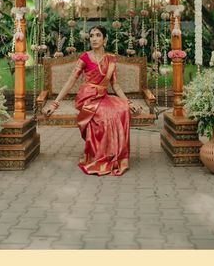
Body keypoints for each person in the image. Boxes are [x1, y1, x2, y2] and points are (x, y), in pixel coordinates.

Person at [42, 25, 142, 176]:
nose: (94, 38)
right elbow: (70, 81)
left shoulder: (110, 59)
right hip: (87, 97)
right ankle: (99, 156)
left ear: (105, 39)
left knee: (120, 109)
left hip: (103, 96)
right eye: (92, 35)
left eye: (98, 35)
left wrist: (129, 102)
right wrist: (55, 103)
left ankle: (114, 156)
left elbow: (115, 85)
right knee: (104, 115)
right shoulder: (85, 57)